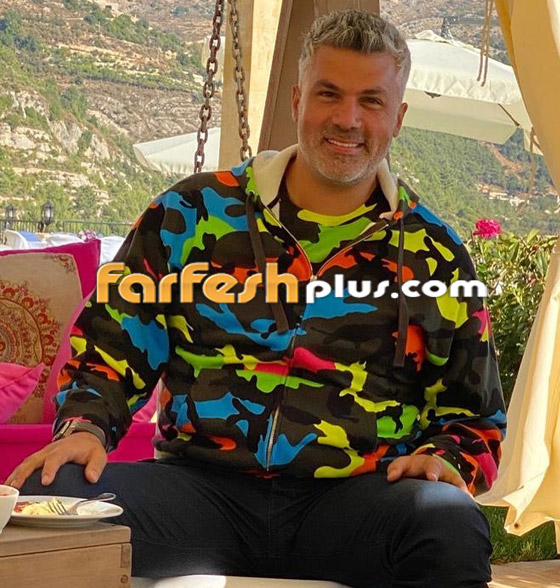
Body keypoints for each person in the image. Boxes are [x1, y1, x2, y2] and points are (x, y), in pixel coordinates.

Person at [8, 10, 506, 588]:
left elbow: (475, 416)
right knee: (46, 501)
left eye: (371, 101)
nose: (347, 119)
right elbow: (109, 351)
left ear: (398, 117)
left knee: (448, 525)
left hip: (356, 504)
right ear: (298, 99)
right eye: (328, 93)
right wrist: (85, 428)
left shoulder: (434, 253)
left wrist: (448, 458)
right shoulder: (190, 214)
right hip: (198, 493)